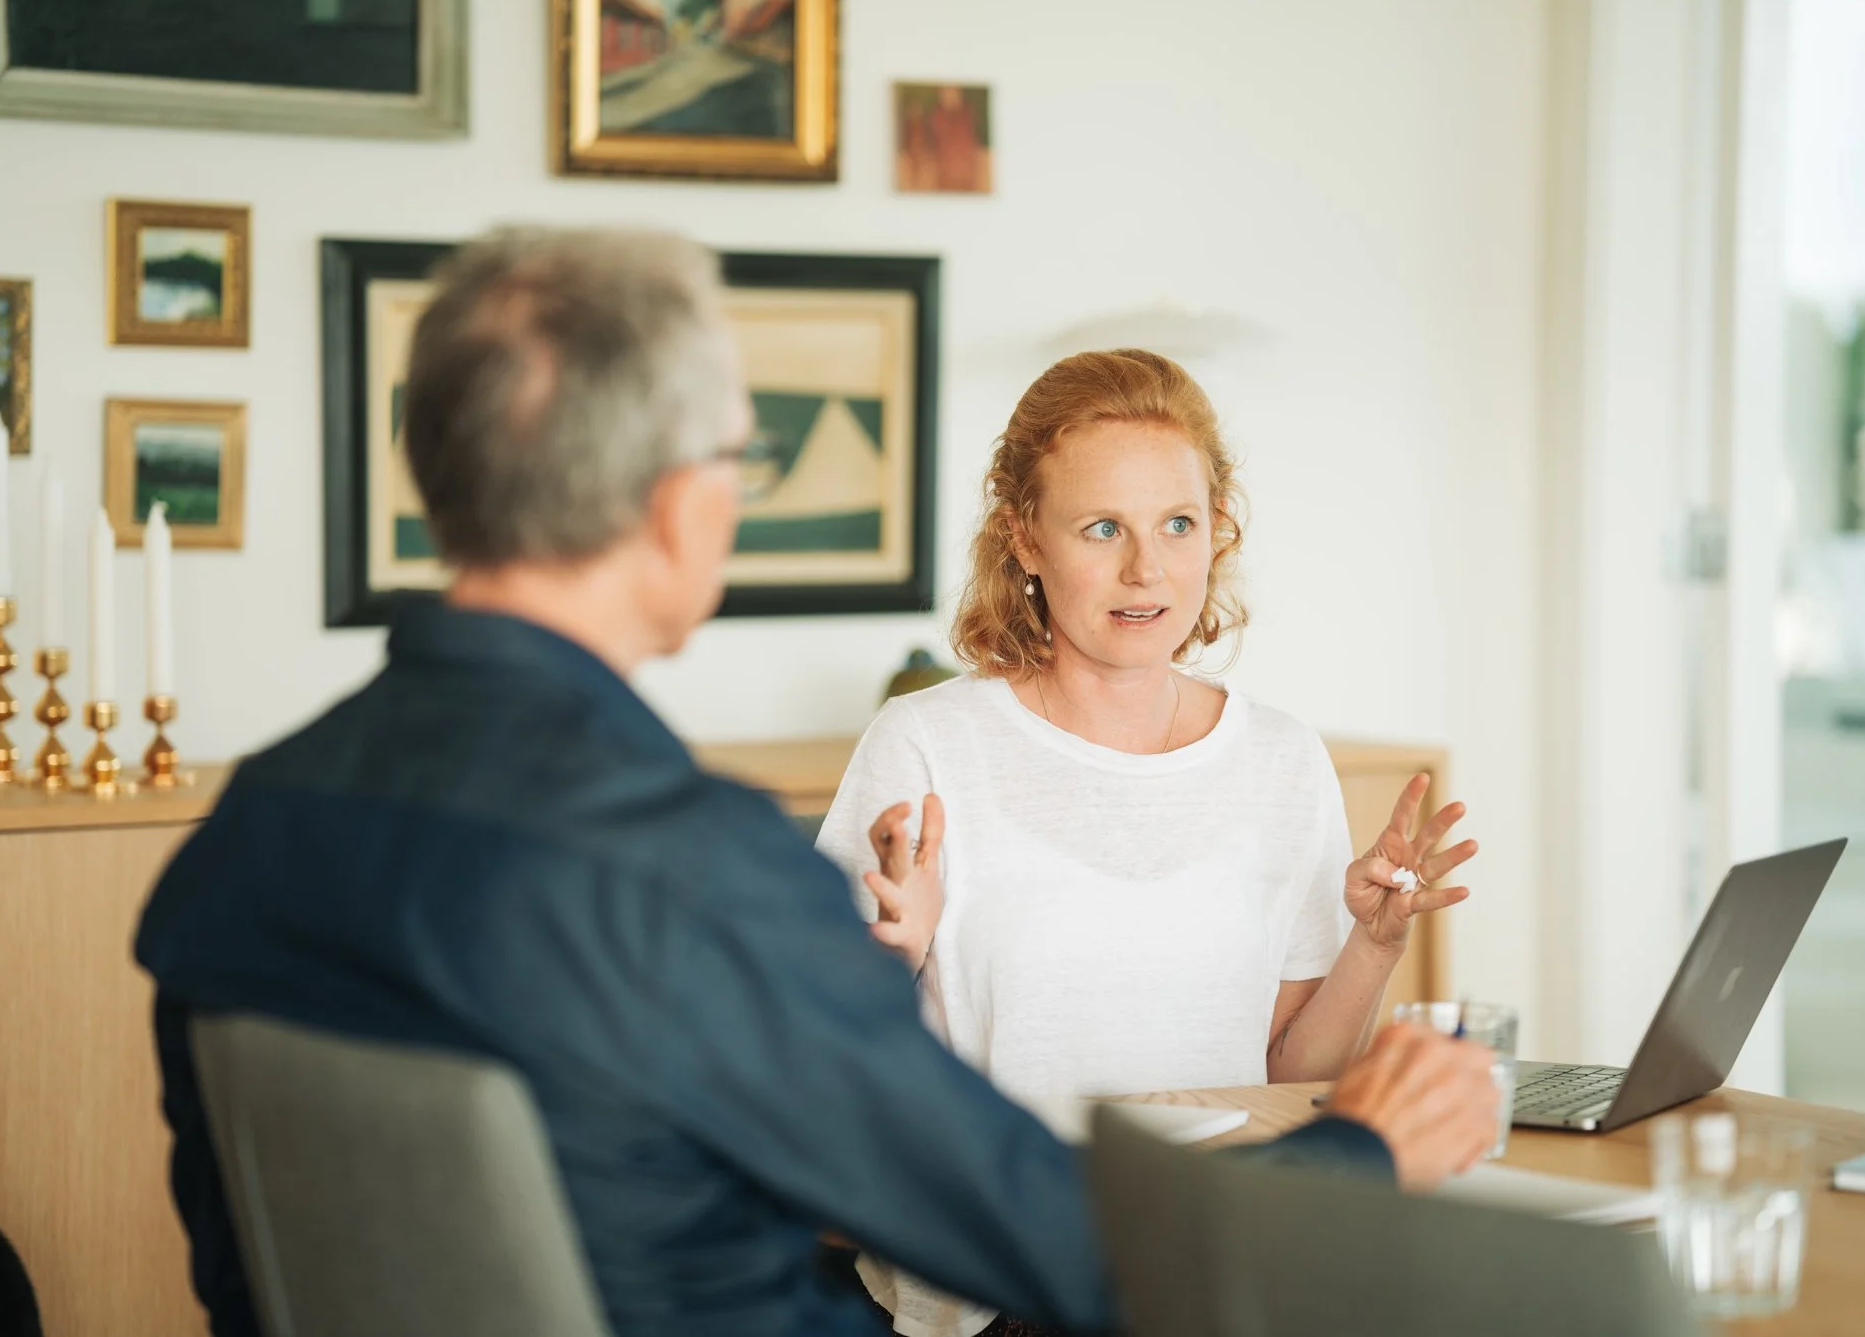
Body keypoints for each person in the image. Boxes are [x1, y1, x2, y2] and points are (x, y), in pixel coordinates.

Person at [134, 228, 1500, 1337]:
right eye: (737, 457)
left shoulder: (248, 831)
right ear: (679, 503)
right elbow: (1056, 1249)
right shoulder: (693, 872)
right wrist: (1362, 1155)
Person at [818, 348, 1480, 1336]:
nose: (1146, 569)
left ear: (1217, 533)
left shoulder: (1279, 757)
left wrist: (1372, 943)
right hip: (1011, 1283)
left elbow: (1290, 1069)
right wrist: (884, 959)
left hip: (1225, 1258)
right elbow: (812, 1066)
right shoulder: (925, 747)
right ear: (1023, 540)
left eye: (1177, 524)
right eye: (1101, 529)